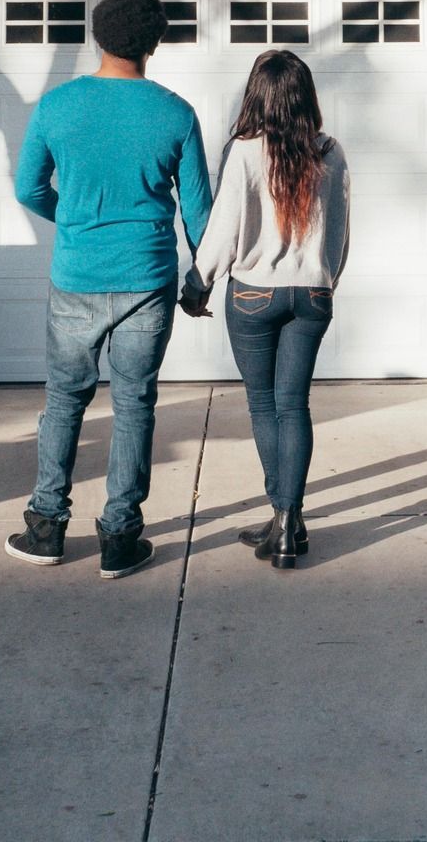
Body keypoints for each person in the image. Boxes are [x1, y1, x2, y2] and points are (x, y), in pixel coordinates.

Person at [7, 0, 212, 579]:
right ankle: (121, 537)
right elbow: (200, 214)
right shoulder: (175, 112)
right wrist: (201, 280)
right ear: (155, 42)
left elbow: (27, 189)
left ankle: (46, 527)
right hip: (147, 280)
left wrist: (70, 218)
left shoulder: (57, 106)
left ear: (97, 36)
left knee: (64, 401)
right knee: (134, 404)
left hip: (76, 276)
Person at [181, 48, 349, 569]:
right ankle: (287, 520)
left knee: (263, 406)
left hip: (254, 294)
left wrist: (197, 282)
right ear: (305, 96)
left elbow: (224, 228)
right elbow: (340, 231)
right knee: (293, 406)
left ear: (257, 95)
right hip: (312, 295)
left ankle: (281, 519)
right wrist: (325, 280)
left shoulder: (247, 150)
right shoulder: (331, 150)